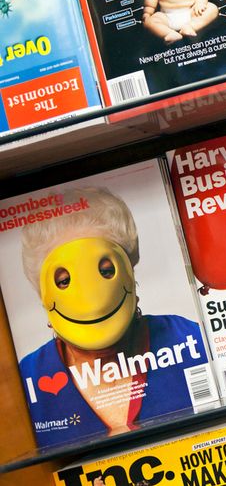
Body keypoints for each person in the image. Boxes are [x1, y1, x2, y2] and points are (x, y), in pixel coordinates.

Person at [17, 187, 211, 446]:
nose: (92, 300)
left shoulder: (190, 340)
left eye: (106, 271)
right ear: (42, 292)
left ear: (130, 271)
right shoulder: (26, 383)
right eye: (64, 281)